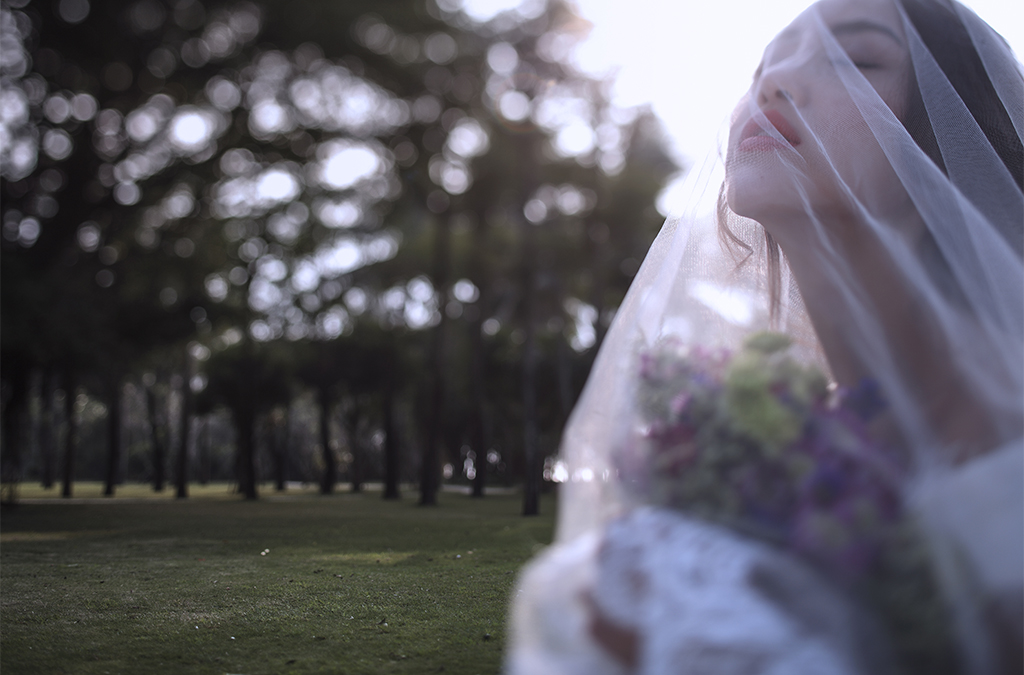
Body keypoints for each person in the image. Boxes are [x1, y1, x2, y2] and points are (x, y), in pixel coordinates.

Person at [505, 0, 1023, 673]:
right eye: (761, 69)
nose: (773, 84)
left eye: (855, 60)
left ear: (951, 138)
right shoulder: (787, 457)